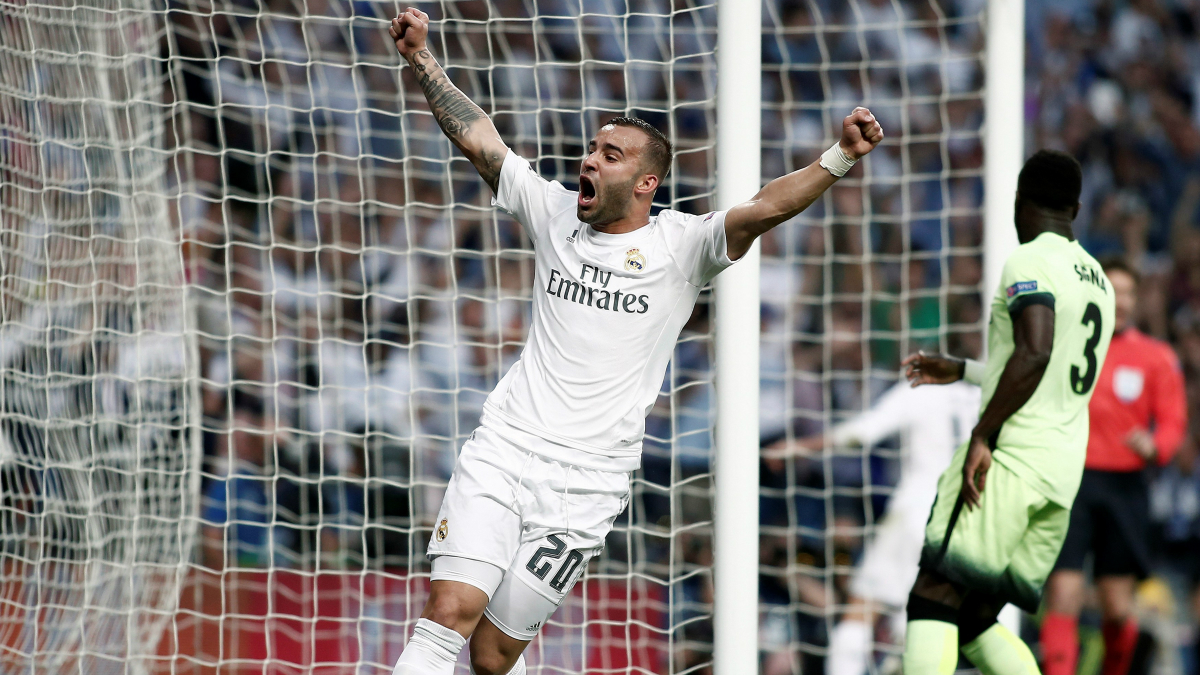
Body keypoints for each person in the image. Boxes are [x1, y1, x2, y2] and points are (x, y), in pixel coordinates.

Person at [385, 7, 884, 675]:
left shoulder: (681, 246)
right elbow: (482, 141)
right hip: (505, 450)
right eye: (592, 148)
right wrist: (422, 59)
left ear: (646, 182)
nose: (589, 160)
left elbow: (766, 206)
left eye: (609, 155)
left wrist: (838, 157)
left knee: (494, 655)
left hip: (588, 483)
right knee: (450, 610)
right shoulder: (555, 209)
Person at [898, 150, 1115, 674]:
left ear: (1020, 202)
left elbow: (1036, 350)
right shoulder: (1099, 281)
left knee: (932, 596)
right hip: (1059, 477)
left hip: (1011, 463)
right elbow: (1056, 368)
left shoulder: (1031, 260)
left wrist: (982, 434)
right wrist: (969, 369)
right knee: (971, 616)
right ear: (1077, 208)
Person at [773, 379, 982, 675]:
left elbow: (862, 432)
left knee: (861, 613)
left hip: (919, 511)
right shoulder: (983, 392)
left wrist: (799, 446)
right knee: (928, 617)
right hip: (969, 519)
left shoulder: (923, 387)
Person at [1040, 259, 1187, 675]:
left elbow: (1174, 420)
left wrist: (1154, 445)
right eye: (1112, 290)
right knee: (1063, 594)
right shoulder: (1066, 344)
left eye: (1128, 293)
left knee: (1117, 608)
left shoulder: (1156, 357)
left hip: (1126, 487)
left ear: (1138, 301)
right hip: (1072, 482)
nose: (1120, 301)